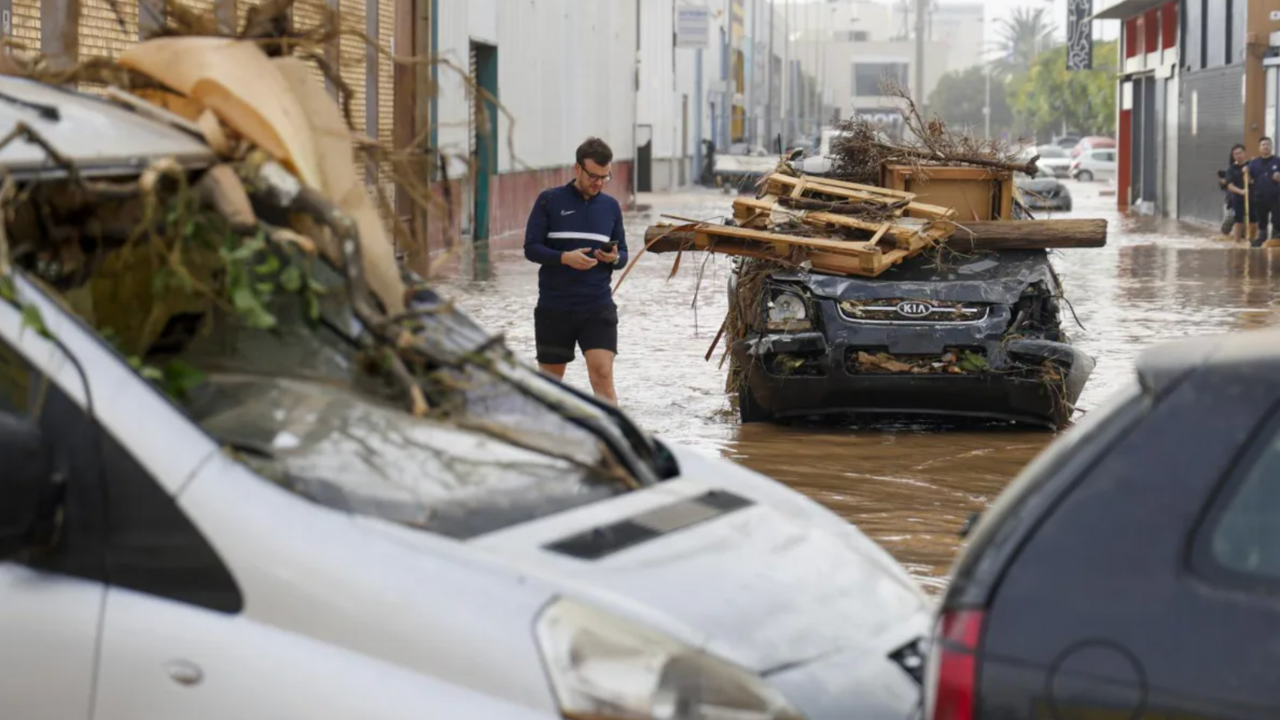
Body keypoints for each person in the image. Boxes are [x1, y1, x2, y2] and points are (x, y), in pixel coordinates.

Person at [523, 137, 628, 404]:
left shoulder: (611, 207)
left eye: (605, 177)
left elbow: (623, 255)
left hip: (597, 306)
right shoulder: (549, 201)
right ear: (577, 168)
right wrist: (563, 258)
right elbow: (531, 248)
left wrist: (613, 258)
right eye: (594, 176)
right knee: (549, 386)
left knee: (603, 374)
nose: (599, 183)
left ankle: (612, 441)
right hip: (555, 307)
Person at [1248, 137, 1280, 246]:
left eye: (1267, 144)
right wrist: (1245, 173)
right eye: (1263, 145)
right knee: (1262, 218)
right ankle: (1262, 237)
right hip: (1259, 196)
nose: (1265, 147)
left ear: (1271, 147)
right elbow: (1248, 179)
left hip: (1276, 196)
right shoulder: (1253, 163)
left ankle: (1276, 236)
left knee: (1277, 217)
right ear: (1259, 148)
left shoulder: (1278, 161)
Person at [1224, 144, 1252, 241]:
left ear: (1244, 153)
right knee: (1238, 221)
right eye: (1235, 154)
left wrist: (1248, 176)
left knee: (1253, 220)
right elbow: (1229, 185)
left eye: (1240, 153)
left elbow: (1255, 180)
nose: (1238, 155)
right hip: (1237, 198)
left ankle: (1253, 242)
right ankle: (1237, 244)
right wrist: (1241, 192)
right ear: (1233, 156)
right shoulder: (1231, 169)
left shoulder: (1252, 165)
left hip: (1253, 198)